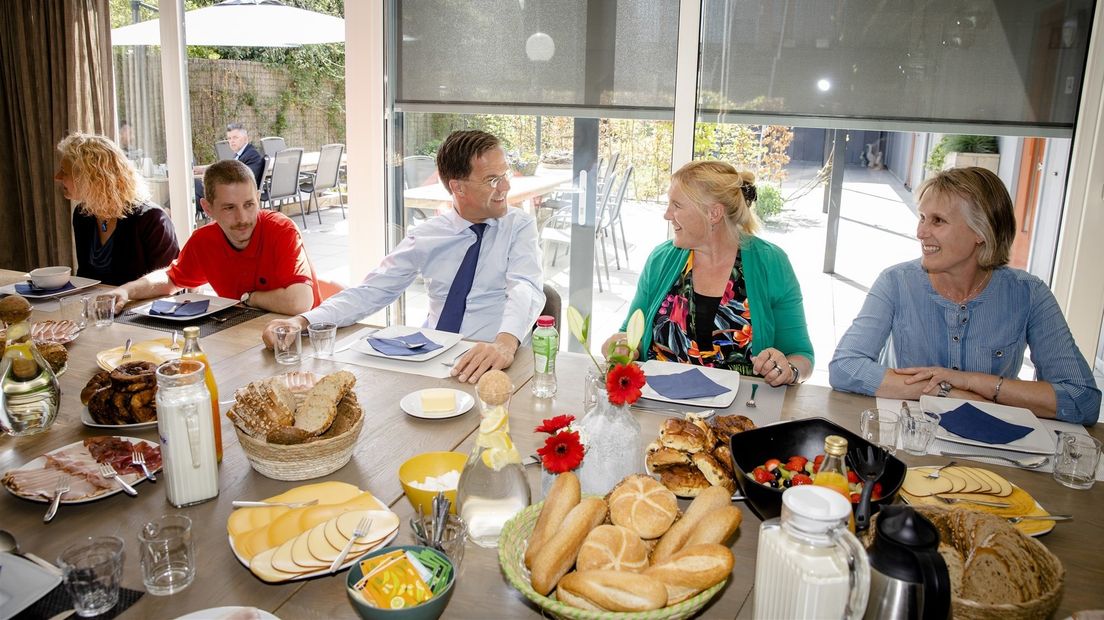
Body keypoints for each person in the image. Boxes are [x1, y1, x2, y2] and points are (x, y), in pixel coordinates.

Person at [261, 129, 545, 384]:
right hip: (432, 357)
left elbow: (525, 287)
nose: (505, 187)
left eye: (504, 175)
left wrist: (505, 343)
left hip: (493, 358)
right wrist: (302, 322)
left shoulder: (518, 226)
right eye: (492, 180)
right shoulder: (427, 236)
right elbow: (372, 290)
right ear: (458, 187)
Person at [829, 167, 1100, 424]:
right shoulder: (895, 282)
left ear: (981, 233)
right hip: (909, 437)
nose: (920, 232)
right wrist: (944, 391)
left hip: (993, 442)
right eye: (922, 217)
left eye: (938, 221)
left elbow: (1082, 399)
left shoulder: (1029, 294)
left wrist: (973, 382)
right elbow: (845, 367)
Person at [603, 160, 813, 387]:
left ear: (713, 213)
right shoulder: (661, 259)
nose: (667, 214)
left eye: (677, 205)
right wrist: (619, 345)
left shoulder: (771, 263)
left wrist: (787, 370)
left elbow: (801, 356)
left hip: (739, 415)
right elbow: (630, 335)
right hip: (660, 406)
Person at [108, 159, 321, 315]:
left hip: (303, 338)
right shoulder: (204, 240)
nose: (243, 218)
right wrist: (127, 290)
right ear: (207, 208)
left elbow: (299, 302)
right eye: (229, 207)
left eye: (249, 204)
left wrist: (248, 298)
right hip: (245, 333)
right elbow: (171, 279)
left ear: (258, 198)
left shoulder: (281, 230)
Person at [55, 132, 179, 286]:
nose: (57, 177)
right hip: (98, 308)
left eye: (65, 171)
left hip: (141, 308)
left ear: (92, 177)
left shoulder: (152, 219)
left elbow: (171, 282)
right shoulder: (82, 215)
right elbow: (85, 276)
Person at [226, 122, 265, 187]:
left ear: (245, 139)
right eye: (229, 138)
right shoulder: (239, 154)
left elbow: (246, 181)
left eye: (235, 137)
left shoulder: (252, 155)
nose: (231, 141)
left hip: (244, 194)